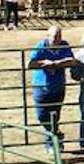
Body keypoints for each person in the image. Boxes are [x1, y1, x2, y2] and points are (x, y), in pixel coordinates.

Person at [27, 25, 77, 153]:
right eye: (55, 36)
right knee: (42, 116)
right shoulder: (41, 46)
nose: (57, 39)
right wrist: (45, 63)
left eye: (59, 36)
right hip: (41, 87)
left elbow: (72, 61)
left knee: (54, 116)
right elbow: (30, 63)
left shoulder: (64, 45)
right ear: (48, 36)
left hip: (58, 87)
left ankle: (51, 144)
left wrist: (56, 64)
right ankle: (57, 135)